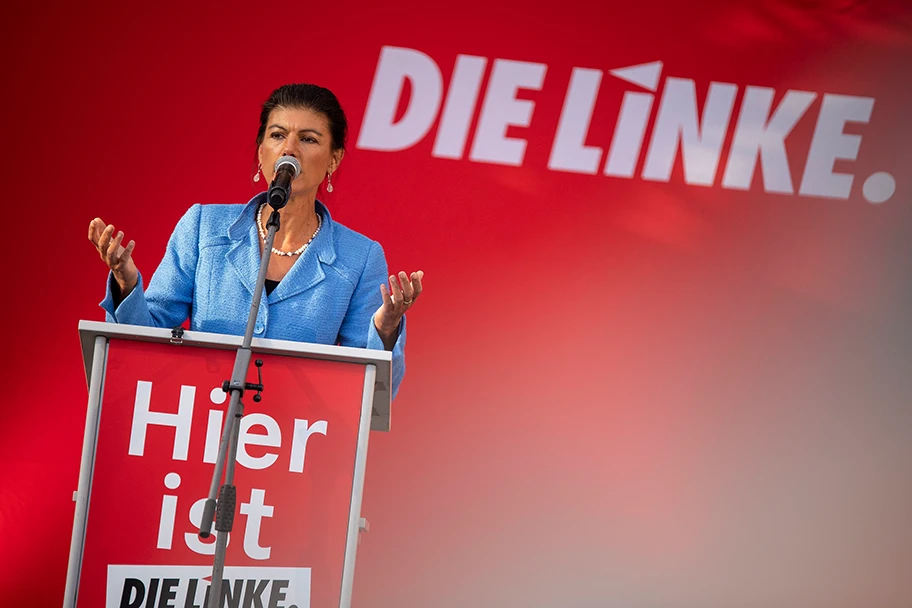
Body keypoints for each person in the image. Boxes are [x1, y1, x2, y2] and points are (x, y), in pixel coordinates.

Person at [87, 83, 423, 398]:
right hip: (195, 426)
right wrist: (126, 282)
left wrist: (386, 328)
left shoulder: (360, 258)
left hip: (293, 442)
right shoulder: (204, 226)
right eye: (278, 135)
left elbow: (371, 393)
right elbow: (142, 345)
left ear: (333, 160)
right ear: (262, 151)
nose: (289, 149)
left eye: (308, 139)